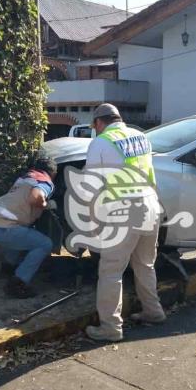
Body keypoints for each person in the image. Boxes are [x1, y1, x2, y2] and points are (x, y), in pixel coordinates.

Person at [83, 103, 166, 342]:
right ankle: (154, 311)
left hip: (123, 210)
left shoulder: (100, 142)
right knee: (145, 265)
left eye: (94, 127)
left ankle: (110, 327)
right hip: (150, 205)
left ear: (99, 123)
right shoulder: (141, 137)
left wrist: (92, 222)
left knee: (111, 271)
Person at [0, 157, 57, 299]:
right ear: (52, 173)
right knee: (45, 244)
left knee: (20, 234)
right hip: (0, 227)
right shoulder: (45, 181)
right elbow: (35, 198)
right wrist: (47, 204)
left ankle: (8, 269)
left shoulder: (24, 178)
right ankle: (17, 284)